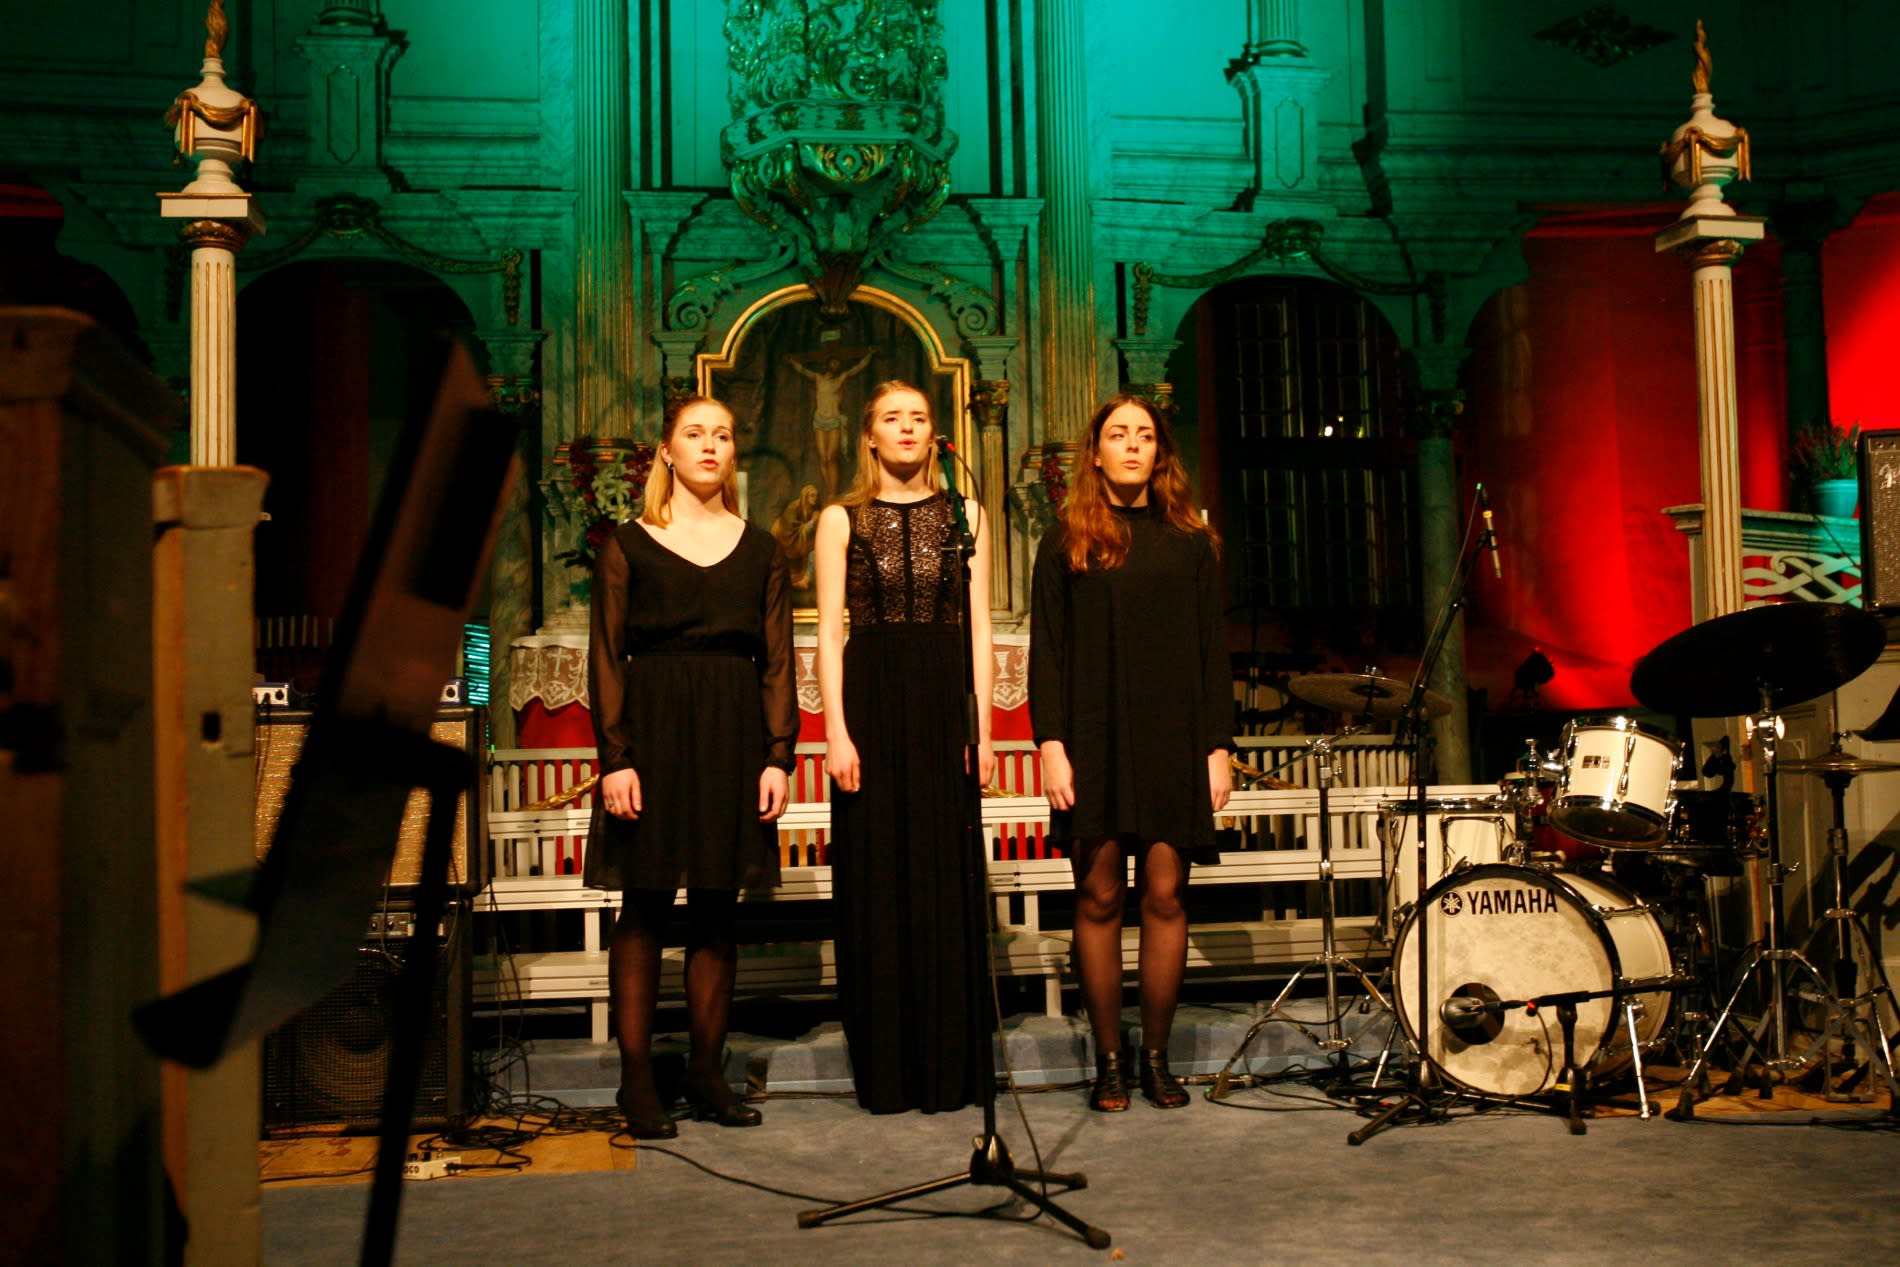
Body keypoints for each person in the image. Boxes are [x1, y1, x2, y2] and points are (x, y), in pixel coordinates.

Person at [587, 395, 796, 1138]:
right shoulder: (628, 544)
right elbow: (607, 655)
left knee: (716, 909)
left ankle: (708, 1073)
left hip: (732, 735)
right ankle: (637, 1081)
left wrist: (778, 755)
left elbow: (778, 660)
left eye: (723, 435)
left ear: (734, 452)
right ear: (667, 452)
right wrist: (616, 758)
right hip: (652, 734)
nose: (710, 445)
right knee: (643, 908)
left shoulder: (762, 549)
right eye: (695, 433)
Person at [1029, 394, 1232, 1112]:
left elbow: (1211, 649)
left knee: (1167, 896)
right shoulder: (1066, 540)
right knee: (1100, 894)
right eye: (1119, 434)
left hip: (1174, 735)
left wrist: (1217, 746)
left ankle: (1156, 1059)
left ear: (1160, 451)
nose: (1133, 445)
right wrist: (1051, 744)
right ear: (1096, 451)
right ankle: (1109, 1062)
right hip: (1094, 735)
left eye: (1145, 434)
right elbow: (1048, 652)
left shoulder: (1189, 541)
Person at [813, 379, 997, 1113]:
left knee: (944, 875)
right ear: (870, 435)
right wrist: (835, 730)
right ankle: (888, 1068)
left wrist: (982, 730)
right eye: (893, 418)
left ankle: (950, 1066)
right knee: (879, 876)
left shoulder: (966, 515)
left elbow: (980, 631)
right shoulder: (841, 518)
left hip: (944, 702)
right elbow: (829, 632)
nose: (908, 428)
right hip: (873, 702)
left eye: (919, 417)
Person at [788, 349, 875, 501]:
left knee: (832, 457)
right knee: (823, 458)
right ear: (827, 365)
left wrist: (869, 355)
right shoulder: (818, 378)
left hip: (834, 420)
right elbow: (803, 370)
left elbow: (857, 368)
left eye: (837, 364)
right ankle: (828, 489)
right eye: (833, 364)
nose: (835, 367)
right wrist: (792, 361)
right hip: (819, 420)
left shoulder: (840, 378)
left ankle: (833, 493)